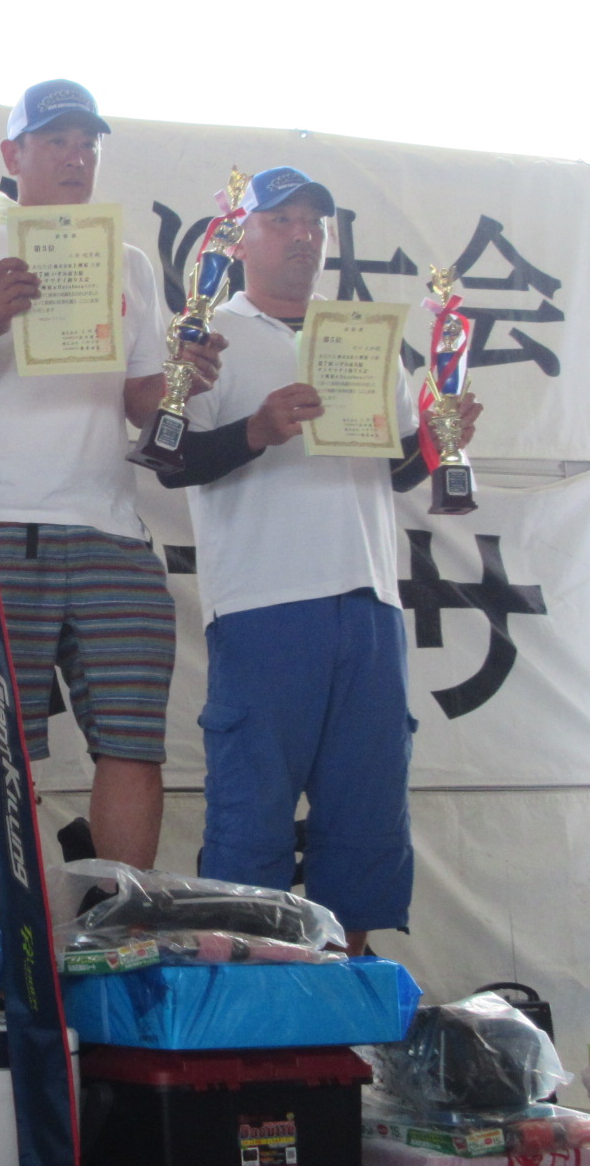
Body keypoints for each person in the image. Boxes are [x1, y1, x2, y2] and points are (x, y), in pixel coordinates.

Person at [158, 165, 481, 953]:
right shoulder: (208, 336)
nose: (303, 236)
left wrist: (438, 441)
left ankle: (347, 973)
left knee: (368, 810)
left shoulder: (363, 339)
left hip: (370, 601)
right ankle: (251, 985)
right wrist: (257, 431)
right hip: (262, 604)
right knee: (251, 810)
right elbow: (170, 461)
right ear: (240, 239)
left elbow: (391, 469)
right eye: (283, 221)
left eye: (315, 223)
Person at [0, 80, 218, 868]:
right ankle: (6, 915)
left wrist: (182, 381)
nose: (77, 158)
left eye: (88, 144)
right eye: (56, 142)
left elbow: (140, 402)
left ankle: (120, 915)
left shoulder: (129, 262)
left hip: (111, 527)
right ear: (13, 154)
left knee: (134, 739)